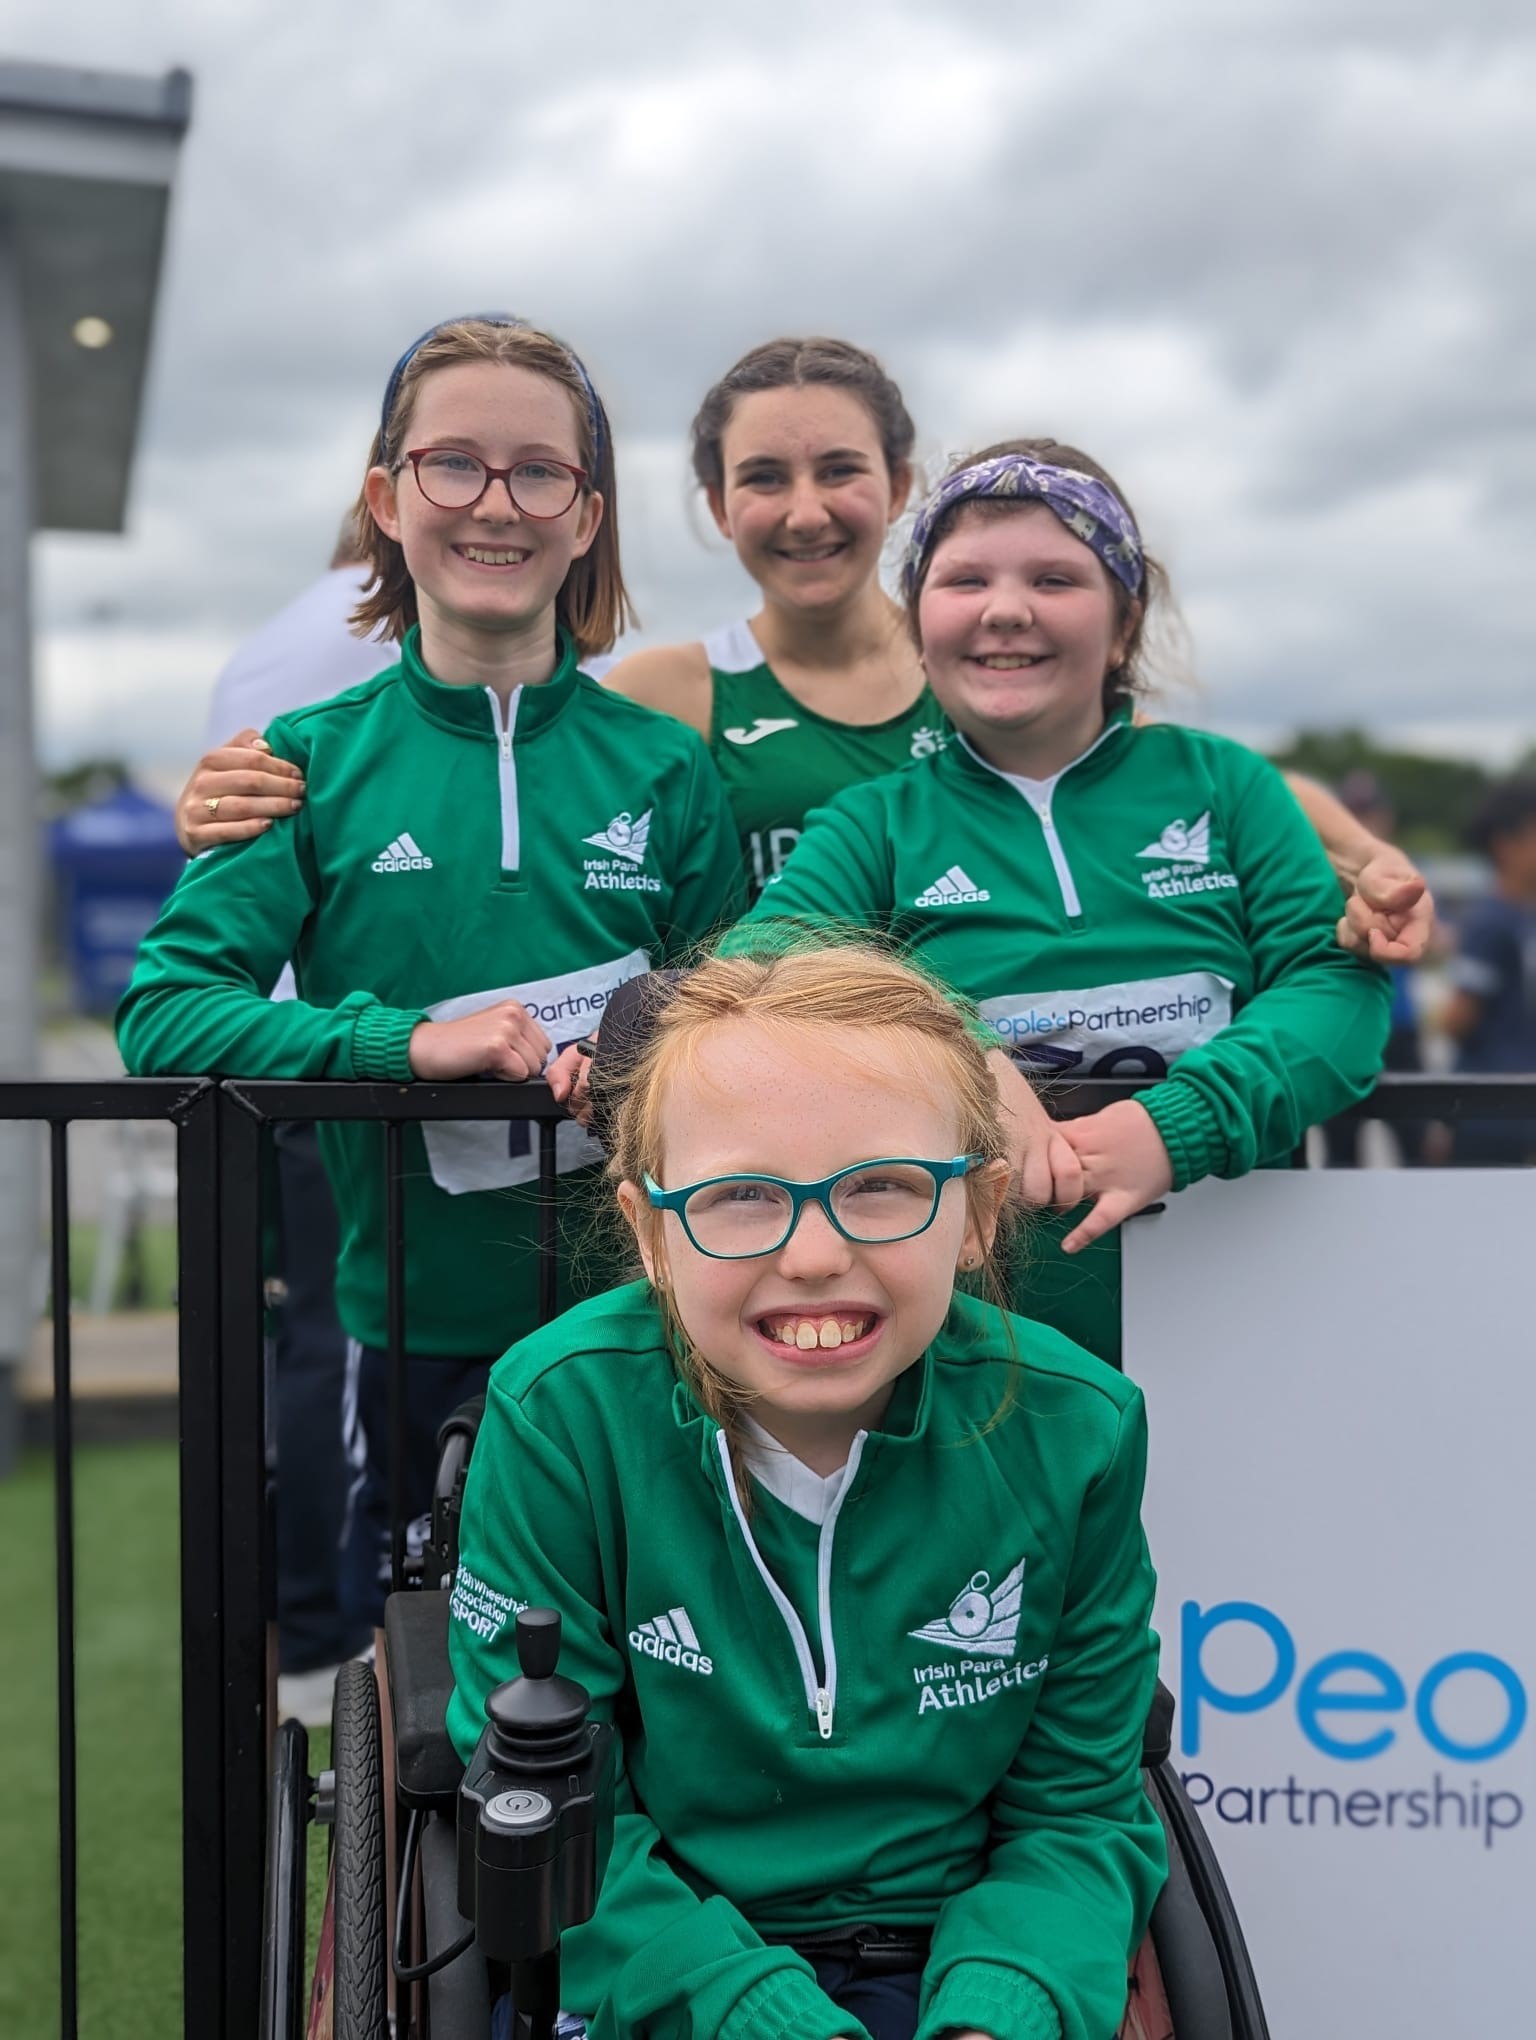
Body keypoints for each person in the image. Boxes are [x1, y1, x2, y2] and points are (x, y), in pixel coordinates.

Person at [118, 315, 741, 1628]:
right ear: (386, 499)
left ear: (588, 516)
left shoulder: (667, 768)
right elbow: (168, 1012)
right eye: (454, 465)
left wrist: (646, 1059)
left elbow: (738, 1012)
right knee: (426, 1704)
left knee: (651, 1665)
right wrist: (399, 1048)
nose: (494, 504)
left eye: (538, 473)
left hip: (657, 1318)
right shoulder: (304, 756)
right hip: (412, 1336)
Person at [173, 336, 1436, 962]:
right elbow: (497, 778)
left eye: (840, 471)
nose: (805, 509)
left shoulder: (993, 670)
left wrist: (1369, 865)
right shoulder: (672, 694)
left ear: (897, 486)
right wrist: (255, 795)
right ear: (717, 509)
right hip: (803, 1144)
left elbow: (1175, 771)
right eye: (762, 479)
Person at [448, 942, 1167, 2040]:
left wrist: (991, 2016)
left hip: (954, 1964)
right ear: (649, 1233)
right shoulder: (560, 1413)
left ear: (975, 1215)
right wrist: (760, 2017)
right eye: (741, 1196)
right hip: (663, 1962)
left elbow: (1075, 1811)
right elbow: (557, 1814)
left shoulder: (1081, 1429)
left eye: (883, 1187)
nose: (816, 1253)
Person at [723, 442, 1393, 1364]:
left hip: (1244, 1297)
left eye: (1054, 578)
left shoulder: (1227, 786)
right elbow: (759, 960)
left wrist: (1179, 1125)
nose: (1006, 609)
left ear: (1123, 625)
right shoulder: (874, 824)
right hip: (982, 1339)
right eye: (964, 580)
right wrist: (960, 1051)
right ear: (917, 624)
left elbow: (1338, 994)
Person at [1439, 776, 1536, 1165]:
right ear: (1505, 843)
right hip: (1491, 1107)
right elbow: (1455, 1020)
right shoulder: (1490, 920)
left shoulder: (1523, 915)